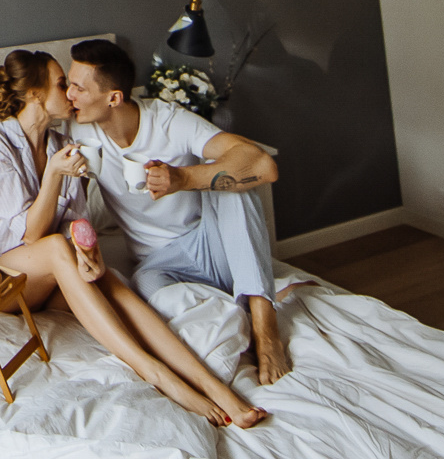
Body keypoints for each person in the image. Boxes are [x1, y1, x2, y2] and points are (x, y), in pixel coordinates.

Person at [0, 50, 265, 429]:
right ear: (35, 94)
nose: (70, 93)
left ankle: (213, 386)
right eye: (62, 84)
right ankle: (159, 375)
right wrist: (53, 175)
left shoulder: (63, 143)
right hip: (1, 278)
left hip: (46, 278)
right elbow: (31, 235)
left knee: (113, 283)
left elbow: (75, 223)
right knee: (56, 248)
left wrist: (89, 253)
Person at [63, 38, 294, 385]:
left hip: (210, 244)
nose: (69, 95)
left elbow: (263, 166)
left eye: (79, 88)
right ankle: (230, 312)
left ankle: (266, 329)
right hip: (158, 266)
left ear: (114, 98)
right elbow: (74, 206)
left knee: (234, 184)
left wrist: (183, 178)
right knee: (142, 290)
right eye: (68, 84)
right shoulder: (78, 129)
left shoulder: (168, 120)